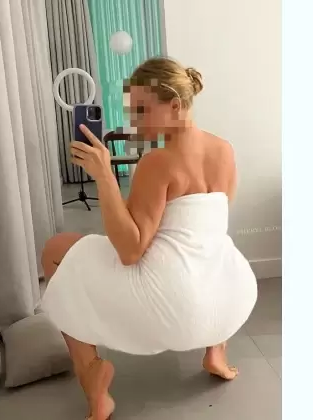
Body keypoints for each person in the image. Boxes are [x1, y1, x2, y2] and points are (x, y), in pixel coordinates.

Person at [41, 57, 258, 420]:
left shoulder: (158, 162)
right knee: (213, 249)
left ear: (175, 105)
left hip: (172, 310)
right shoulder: (225, 149)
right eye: (132, 110)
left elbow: (129, 252)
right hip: (231, 300)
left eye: (142, 110)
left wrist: (104, 176)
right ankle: (216, 352)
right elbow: (206, 222)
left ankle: (92, 375)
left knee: (56, 250)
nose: (135, 121)